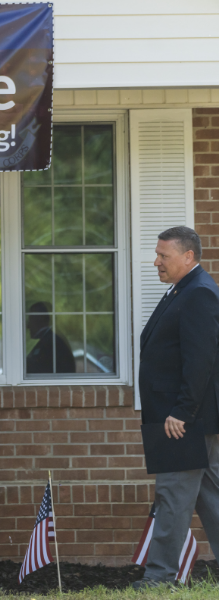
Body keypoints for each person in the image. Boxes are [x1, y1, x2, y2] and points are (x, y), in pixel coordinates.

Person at [134, 226, 219, 589]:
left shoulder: (199, 294)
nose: (156, 262)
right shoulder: (183, 291)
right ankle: (159, 575)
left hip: (182, 422)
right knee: (211, 499)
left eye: (163, 256)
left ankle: (158, 578)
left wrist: (183, 411)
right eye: (157, 254)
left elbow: (201, 360)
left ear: (188, 257)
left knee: (171, 498)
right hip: (185, 419)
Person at [25, 302, 76, 374]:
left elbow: (38, 369)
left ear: (40, 319)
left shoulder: (51, 343)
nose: (28, 326)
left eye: (31, 319)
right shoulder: (51, 341)